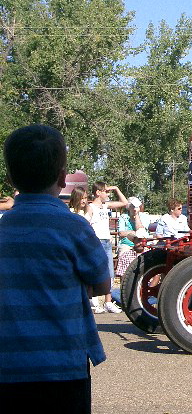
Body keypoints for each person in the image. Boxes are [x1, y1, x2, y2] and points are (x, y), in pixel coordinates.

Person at [0, 124, 111, 413]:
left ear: (11, 177)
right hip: (64, 367)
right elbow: (102, 284)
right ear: (63, 178)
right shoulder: (74, 228)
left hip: (8, 366)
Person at [86, 181, 128, 313]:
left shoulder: (106, 206)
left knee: (110, 272)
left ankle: (108, 302)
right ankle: (93, 300)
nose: (107, 193)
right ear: (98, 192)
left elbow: (124, 203)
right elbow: (87, 222)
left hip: (106, 241)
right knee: (95, 270)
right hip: (97, 241)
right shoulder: (91, 207)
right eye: (105, 191)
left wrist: (116, 188)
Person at [115, 197, 149, 278]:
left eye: (136, 206)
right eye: (133, 206)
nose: (134, 208)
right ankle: (124, 283)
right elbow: (121, 233)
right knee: (123, 254)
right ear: (128, 207)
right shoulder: (123, 217)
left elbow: (141, 231)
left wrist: (136, 215)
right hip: (127, 244)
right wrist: (135, 233)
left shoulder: (144, 216)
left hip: (141, 244)